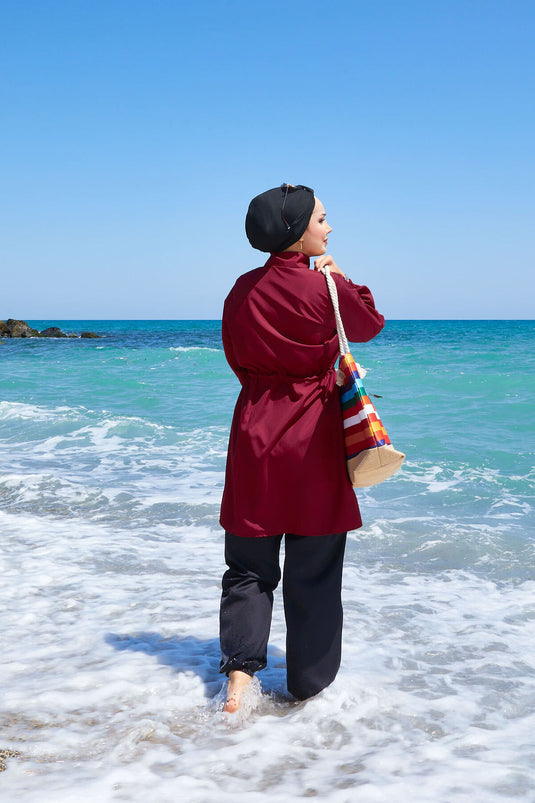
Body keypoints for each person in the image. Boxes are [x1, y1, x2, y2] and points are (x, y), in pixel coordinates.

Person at [218, 184, 385, 712]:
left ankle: (239, 682)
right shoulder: (324, 289)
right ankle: (307, 689)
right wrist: (337, 276)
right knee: (313, 568)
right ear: (296, 230)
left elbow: (237, 359)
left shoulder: (241, 290)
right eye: (321, 218)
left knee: (249, 565)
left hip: (254, 434)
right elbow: (368, 325)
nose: (329, 227)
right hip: (313, 437)